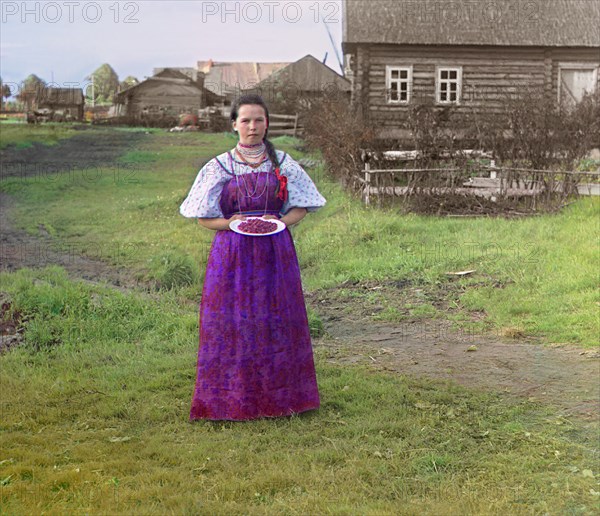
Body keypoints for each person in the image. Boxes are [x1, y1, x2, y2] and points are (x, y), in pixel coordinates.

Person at [180, 94, 326, 421]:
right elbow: (203, 218)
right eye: (245, 120)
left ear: (267, 124)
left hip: (276, 251)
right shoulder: (218, 166)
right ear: (234, 125)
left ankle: (283, 399)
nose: (252, 126)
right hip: (232, 254)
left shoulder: (283, 162)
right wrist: (231, 223)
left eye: (259, 120)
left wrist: (279, 223)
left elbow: (302, 206)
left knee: (277, 318)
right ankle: (231, 400)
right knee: (233, 321)